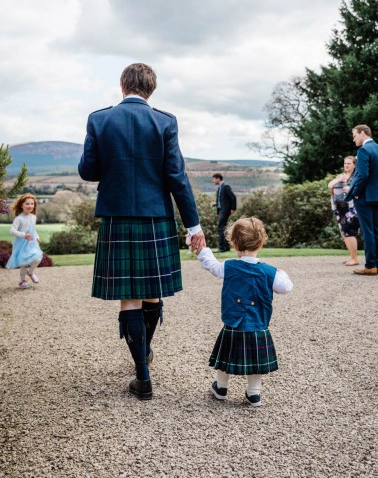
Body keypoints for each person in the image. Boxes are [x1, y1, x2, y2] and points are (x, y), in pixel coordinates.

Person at [78, 63, 205, 400]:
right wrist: (194, 225)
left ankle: (142, 374)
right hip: (156, 219)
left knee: (130, 296)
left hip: (117, 218)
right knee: (151, 293)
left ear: (122, 85)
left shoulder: (99, 119)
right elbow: (177, 177)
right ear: (152, 89)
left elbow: (88, 171)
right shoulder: (165, 121)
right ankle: (144, 354)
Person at [197, 217, 293, 407]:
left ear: (233, 243)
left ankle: (221, 387)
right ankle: (254, 393)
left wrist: (202, 250)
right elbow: (286, 287)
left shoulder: (229, 266)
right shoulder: (270, 272)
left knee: (226, 357)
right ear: (261, 242)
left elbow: (211, 265)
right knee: (256, 361)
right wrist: (281, 272)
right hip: (258, 325)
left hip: (233, 323)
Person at [344, 125, 378, 276]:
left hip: (364, 197)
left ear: (363, 133)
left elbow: (363, 175)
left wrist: (356, 192)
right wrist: (375, 185)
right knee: (376, 230)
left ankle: (370, 265)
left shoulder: (363, 150)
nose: (354, 139)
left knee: (367, 231)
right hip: (377, 196)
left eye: (354, 135)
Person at [328, 156, 360, 266]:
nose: (346, 165)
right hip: (339, 208)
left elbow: (358, 191)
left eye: (349, 163)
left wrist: (350, 188)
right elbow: (329, 186)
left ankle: (355, 258)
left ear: (354, 165)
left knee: (350, 232)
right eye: (345, 163)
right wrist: (338, 180)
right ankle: (351, 257)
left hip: (351, 208)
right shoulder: (340, 176)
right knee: (344, 233)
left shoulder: (357, 177)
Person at [6, 193, 43, 289]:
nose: (30, 206)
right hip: (21, 244)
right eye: (27, 204)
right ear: (21, 205)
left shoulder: (33, 217)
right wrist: (23, 235)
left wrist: (37, 236)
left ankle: (30, 272)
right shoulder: (19, 219)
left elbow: (33, 229)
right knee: (24, 263)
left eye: (32, 204)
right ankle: (22, 281)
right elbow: (12, 231)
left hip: (32, 242)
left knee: (38, 258)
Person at [212, 173, 237, 252]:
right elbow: (223, 200)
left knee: (221, 228)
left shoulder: (225, 186)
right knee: (224, 228)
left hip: (225, 210)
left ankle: (222, 247)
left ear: (218, 178)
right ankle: (226, 247)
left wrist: (233, 208)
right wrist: (215, 204)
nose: (213, 181)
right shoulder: (220, 187)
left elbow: (233, 197)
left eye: (214, 179)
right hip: (221, 210)